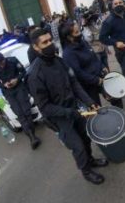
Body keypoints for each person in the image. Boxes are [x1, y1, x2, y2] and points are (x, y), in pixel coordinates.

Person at [27, 29, 108, 184]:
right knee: (77, 147)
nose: (50, 44)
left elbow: (74, 83)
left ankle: (90, 160)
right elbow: (45, 108)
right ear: (36, 47)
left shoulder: (59, 60)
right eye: (45, 42)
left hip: (75, 108)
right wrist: (68, 112)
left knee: (86, 137)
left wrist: (89, 102)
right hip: (61, 118)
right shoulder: (35, 75)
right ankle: (86, 171)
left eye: (50, 40)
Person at [60, 21, 123, 108]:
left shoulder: (83, 43)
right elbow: (78, 73)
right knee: (97, 108)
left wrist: (102, 66)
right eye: (77, 32)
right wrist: (96, 80)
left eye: (79, 30)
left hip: (100, 77)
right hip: (88, 86)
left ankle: (122, 116)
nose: (80, 34)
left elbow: (94, 57)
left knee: (115, 96)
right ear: (69, 37)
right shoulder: (68, 54)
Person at [0, 52, 41, 150]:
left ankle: (32, 136)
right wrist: (4, 85)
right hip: (9, 93)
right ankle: (32, 137)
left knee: (27, 111)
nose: (2, 65)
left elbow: (23, 72)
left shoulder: (13, 60)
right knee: (20, 114)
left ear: (4, 58)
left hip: (19, 88)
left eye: (2, 62)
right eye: (0, 64)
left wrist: (17, 79)